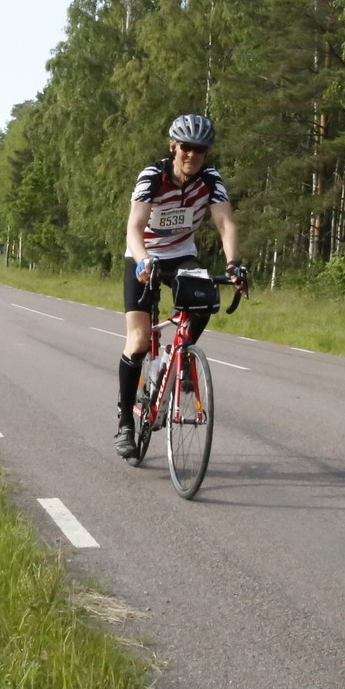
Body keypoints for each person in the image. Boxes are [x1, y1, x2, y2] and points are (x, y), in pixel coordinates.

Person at [114, 114, 249, 457]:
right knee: (139, 340)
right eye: (186, 147)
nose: (192, 155)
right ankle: (125, 423)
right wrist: (142, 260)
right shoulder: (152, 176)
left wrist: (234, 264)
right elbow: (134, 226)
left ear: (206, 152)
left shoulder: (211, 180)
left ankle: (182, 355)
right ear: (173, 147)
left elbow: (225, 222)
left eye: (199, 149)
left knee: (205, 297)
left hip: (181, 255)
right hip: (143, 255)